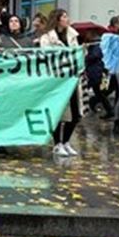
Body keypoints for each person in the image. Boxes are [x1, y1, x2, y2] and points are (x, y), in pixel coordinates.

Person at [39, 9, 83, 156]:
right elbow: (46, 57)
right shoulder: (47, 38)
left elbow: (76, 53)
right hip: (57, 80)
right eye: (64, 16)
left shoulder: (72, 35)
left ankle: (66, 141)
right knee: (59, 113)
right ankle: (57, 143)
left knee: (76, 113)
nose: (67, 19)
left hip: (72, 78)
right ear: (57, 19)